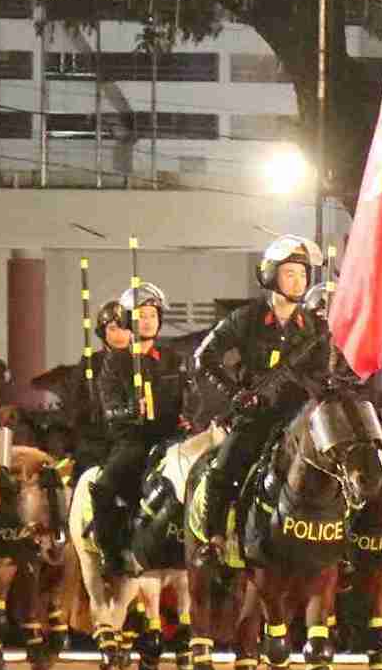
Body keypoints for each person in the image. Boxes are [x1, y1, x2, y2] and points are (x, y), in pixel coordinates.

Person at [193, 235, 331, 549]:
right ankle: (215, 540)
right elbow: (205, 356)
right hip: (256, 415)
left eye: (303, 274)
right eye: (290, 273)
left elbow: (323, 376)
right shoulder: (246, 318)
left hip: (299, 418)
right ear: (270, 275)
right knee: (222, 470)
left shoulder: (316, 327)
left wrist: (299, 385)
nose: (298, 281)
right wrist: (234, 393)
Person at [90, 283, 182, 575]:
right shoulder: (115, 361)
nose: (148, 321)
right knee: (103, 488)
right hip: (132, 441)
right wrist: (132, 410)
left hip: (171, 439)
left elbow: (192, 396)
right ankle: (110, 553)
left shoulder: (173, 358)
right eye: (141, 316)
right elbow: (109, 408)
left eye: (153, 315)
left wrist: (189, 417)